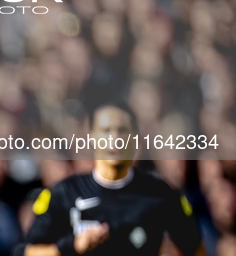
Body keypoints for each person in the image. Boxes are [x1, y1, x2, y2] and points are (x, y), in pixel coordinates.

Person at [13, 101, 207, 256]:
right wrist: (71, 246)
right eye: (106, 131)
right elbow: (31, 252)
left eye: (122, 130)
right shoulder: (64, 193)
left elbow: (195, 248)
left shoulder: (161, 195)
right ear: (91, 137)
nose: (115, 138)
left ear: (136, 137)